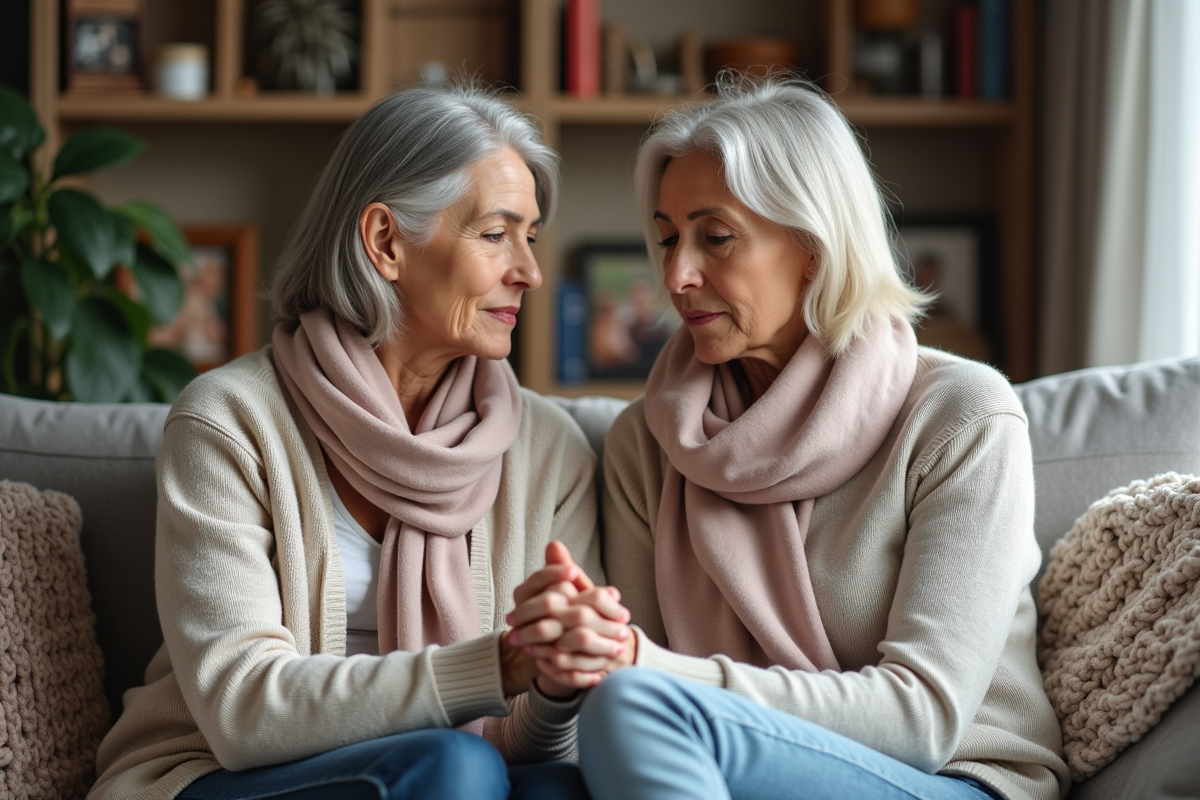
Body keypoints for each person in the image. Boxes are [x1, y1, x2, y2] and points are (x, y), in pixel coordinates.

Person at [511, 76, 1071, 800]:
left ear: (813, 245)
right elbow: (627, 693)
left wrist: (644, 666)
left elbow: (923, 717)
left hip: (954, 778)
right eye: (668, 238)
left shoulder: (961, 416)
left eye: (715, 238)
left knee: (636, 706)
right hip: (733, 765)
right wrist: (578, 650)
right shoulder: (644, 445)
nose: (676, 275)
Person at [88, 83, 628, 800]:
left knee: (556, 789)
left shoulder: (549, 449)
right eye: (496, 234)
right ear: (385, 242)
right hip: (216, 774)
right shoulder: (230, 421)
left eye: (530, 237)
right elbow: (241, 711)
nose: (529, 271)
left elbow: (526, 744)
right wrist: (496, 667)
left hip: (453, 774)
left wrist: (559, 681)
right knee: (453, 767)